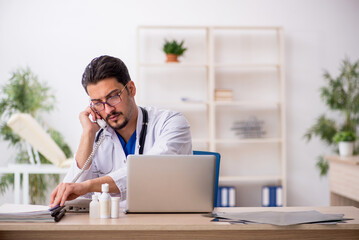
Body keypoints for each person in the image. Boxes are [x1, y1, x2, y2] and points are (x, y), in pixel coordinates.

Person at [49, 55, 192, 207]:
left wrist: (90, 186)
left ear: (131, 89)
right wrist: (88, 134)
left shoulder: (170, 123)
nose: (108, 109)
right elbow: (70, 195)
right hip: (113, 227)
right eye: (98, 103)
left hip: (165, 225)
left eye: (113, 97)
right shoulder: (97, 136)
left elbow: (150, 171)